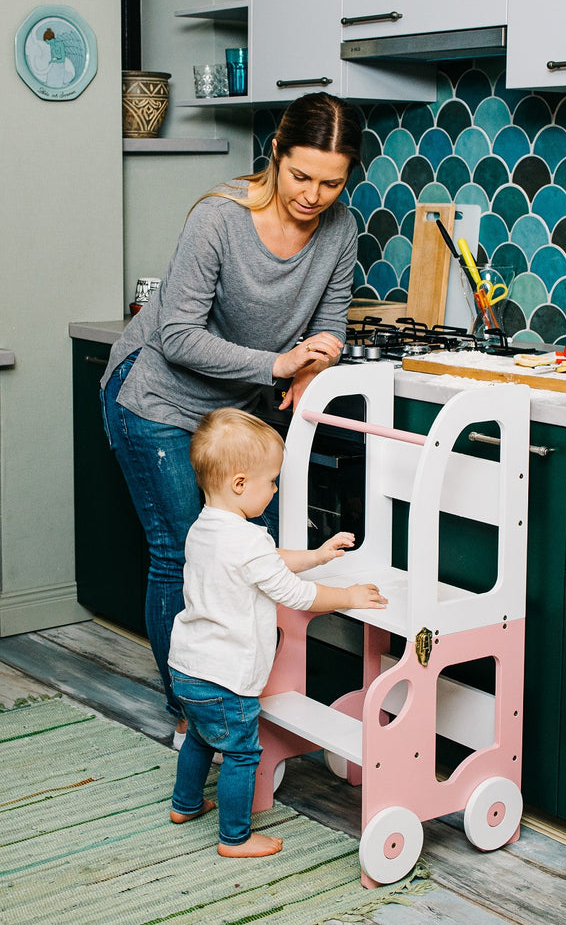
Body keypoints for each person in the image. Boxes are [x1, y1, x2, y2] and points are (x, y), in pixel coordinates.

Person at [99, 92, 363, 747]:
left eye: (331, 183)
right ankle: (194, 717)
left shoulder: (340, 230)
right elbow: (177, 335)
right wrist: (279, 364)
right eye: (301, 176)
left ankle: (246, 700)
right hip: (157, 397)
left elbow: (330, 327)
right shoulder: (219, 218)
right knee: (182, 555)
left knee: (256, 557)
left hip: (234, 415)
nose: (313, 196)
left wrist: (318, 361)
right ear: (275, 152)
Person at [167, 407, 387, 857]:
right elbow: (295, 594)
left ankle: (184, 804)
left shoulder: (204, 528)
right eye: (271, 481)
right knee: (242, 754)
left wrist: (318, 555)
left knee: (200, 739)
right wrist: (348, 596)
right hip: (226, 678)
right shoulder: (248, 541)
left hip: (187, 667)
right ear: (240, 484)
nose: (275, 488)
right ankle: (235, 838)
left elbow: (269, 561)